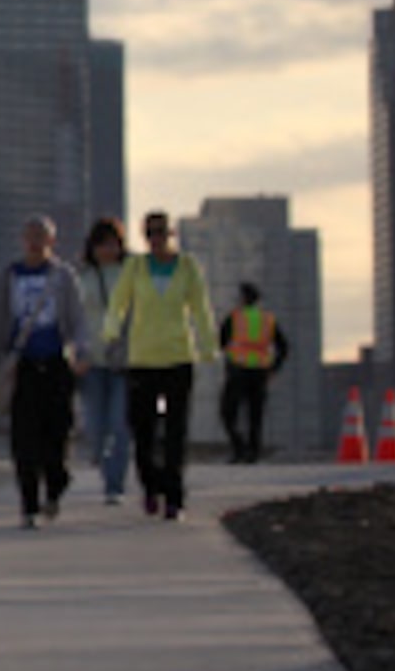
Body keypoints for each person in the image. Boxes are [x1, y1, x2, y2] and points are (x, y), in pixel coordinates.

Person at [0, 217, 92, 529]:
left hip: (57, 364)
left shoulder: (63, 276)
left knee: (57, 433)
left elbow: (77, 318)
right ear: (22, 240)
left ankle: (56, 484)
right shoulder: (7, 276)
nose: (35, 242)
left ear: (52, 242)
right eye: (31, 236)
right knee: (24, 440)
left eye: (42, 237)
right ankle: (29, 505)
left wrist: (82, 351)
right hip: (21, 367)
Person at [92, 211, 219, 520]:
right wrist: (110, 331)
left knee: (176, 431)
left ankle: (174, 496)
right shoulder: (135, 267)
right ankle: (151, 486)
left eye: (161, 233)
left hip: (177, 357)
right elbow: (119, 302)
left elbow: (200, 308)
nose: (156, 239)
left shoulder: (187, 267)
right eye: (150, 234)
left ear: (171, 235)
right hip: (142, 359)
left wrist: (208, 345)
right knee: (143, 431)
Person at [72, 219, 133, 505]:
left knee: (119, 424)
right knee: (95, 425)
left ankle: (114, 484)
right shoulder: (82, 277)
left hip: (126, 361)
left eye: (113, 243)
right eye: (102, 244)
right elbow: (73, 320)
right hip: (91, 362)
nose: (108, 249)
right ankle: (102, 460)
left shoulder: (132, 273)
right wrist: (73, 354)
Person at [217, 281, 291, 463]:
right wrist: (274, 368)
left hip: (238, 371)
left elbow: (220, 342)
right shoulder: (268, 320)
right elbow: (284, 347)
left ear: (243, 298)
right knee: (255, 416)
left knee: (227, 413)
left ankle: (239, 448)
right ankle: (253, 453)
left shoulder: (234, 318)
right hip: (260, 373)